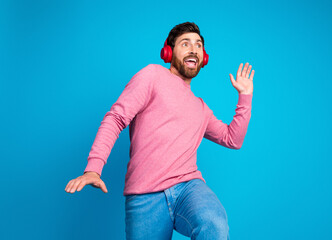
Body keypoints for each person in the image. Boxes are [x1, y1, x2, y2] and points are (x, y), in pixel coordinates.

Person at [65, 22, 254, 239]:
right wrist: (93, 169)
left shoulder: (201, 108)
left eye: (198, 45)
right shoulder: (152, 76)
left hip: (188, 189)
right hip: (144, 197)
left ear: (204, 58)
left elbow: (233, 139)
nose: (194, 49)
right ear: (169, 52)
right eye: (185, 43)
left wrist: (245, 96)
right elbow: (115, 118)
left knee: (213, 222)